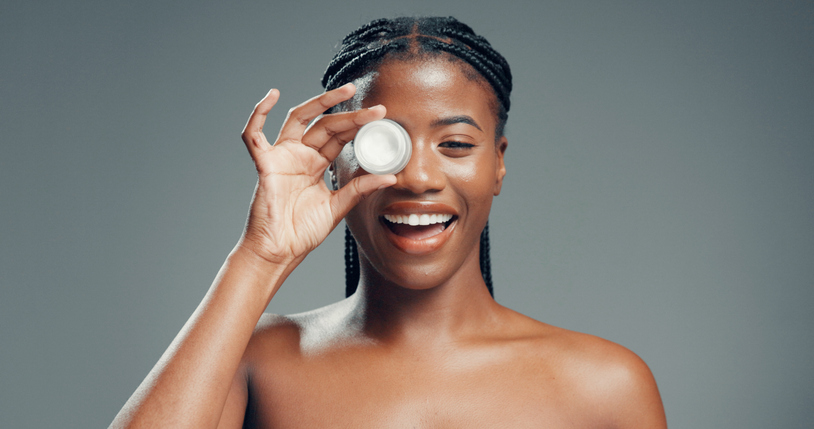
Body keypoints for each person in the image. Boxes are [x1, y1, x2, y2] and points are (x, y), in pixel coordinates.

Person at [110, 17, 667, 428]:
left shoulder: (606, 385)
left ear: (498, 162)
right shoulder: (257, 360)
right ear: (334, 161)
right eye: (383, 146)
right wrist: (260, 257)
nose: (418, 177)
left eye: (454, 144)